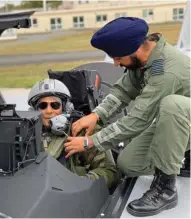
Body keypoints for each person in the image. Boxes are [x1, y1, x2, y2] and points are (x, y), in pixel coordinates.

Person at [66, 17, 190, 217]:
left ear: (133, 49)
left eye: (117, 57)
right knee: (129, 164)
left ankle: (166, 189)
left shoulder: (166, 71)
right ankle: (183, 154)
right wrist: (96, 116)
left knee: (172, 105)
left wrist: (91, 142)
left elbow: (138, 119)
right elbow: (123, 92)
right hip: (182, 123)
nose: (115, 64)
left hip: (182, 117)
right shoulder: (145, 61)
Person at [27, 78, 119, 189]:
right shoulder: (26, 135)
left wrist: (82, 183)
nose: (49, 111)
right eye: (43, 106)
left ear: (65, 108)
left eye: (55, 105)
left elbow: (109, 172)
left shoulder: (82, 132)